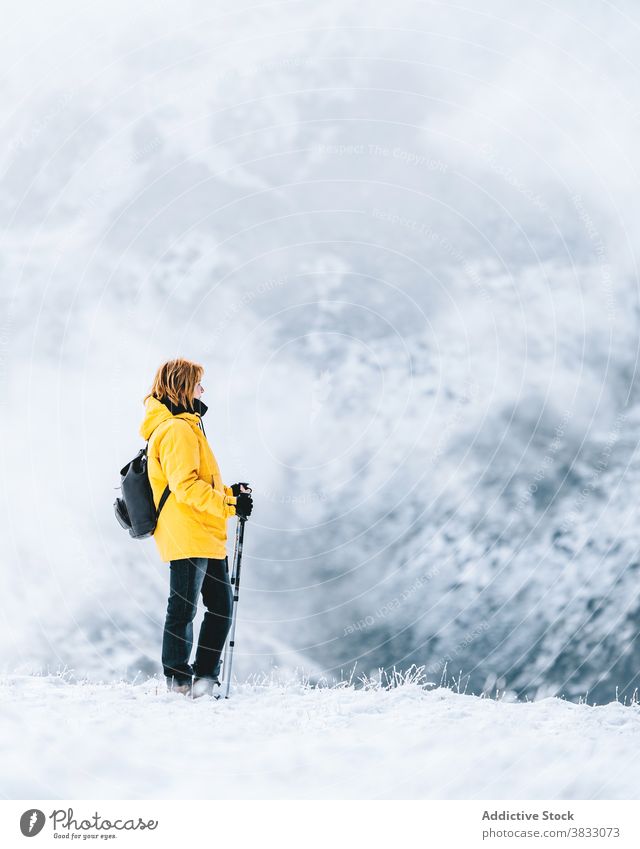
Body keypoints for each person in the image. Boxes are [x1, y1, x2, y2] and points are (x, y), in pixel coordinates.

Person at [139, 357, 253, 698]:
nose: (203, 390)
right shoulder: (175, 430)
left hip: (202, 529)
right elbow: (186, 487)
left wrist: (230, 494)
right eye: (199, 383)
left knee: (218, 607)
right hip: (188, 530)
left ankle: (203, 679)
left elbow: (193, 483)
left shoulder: (185, 425)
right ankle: (179, 680)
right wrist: (230, 505)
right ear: (183, 386)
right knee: (185, 607)